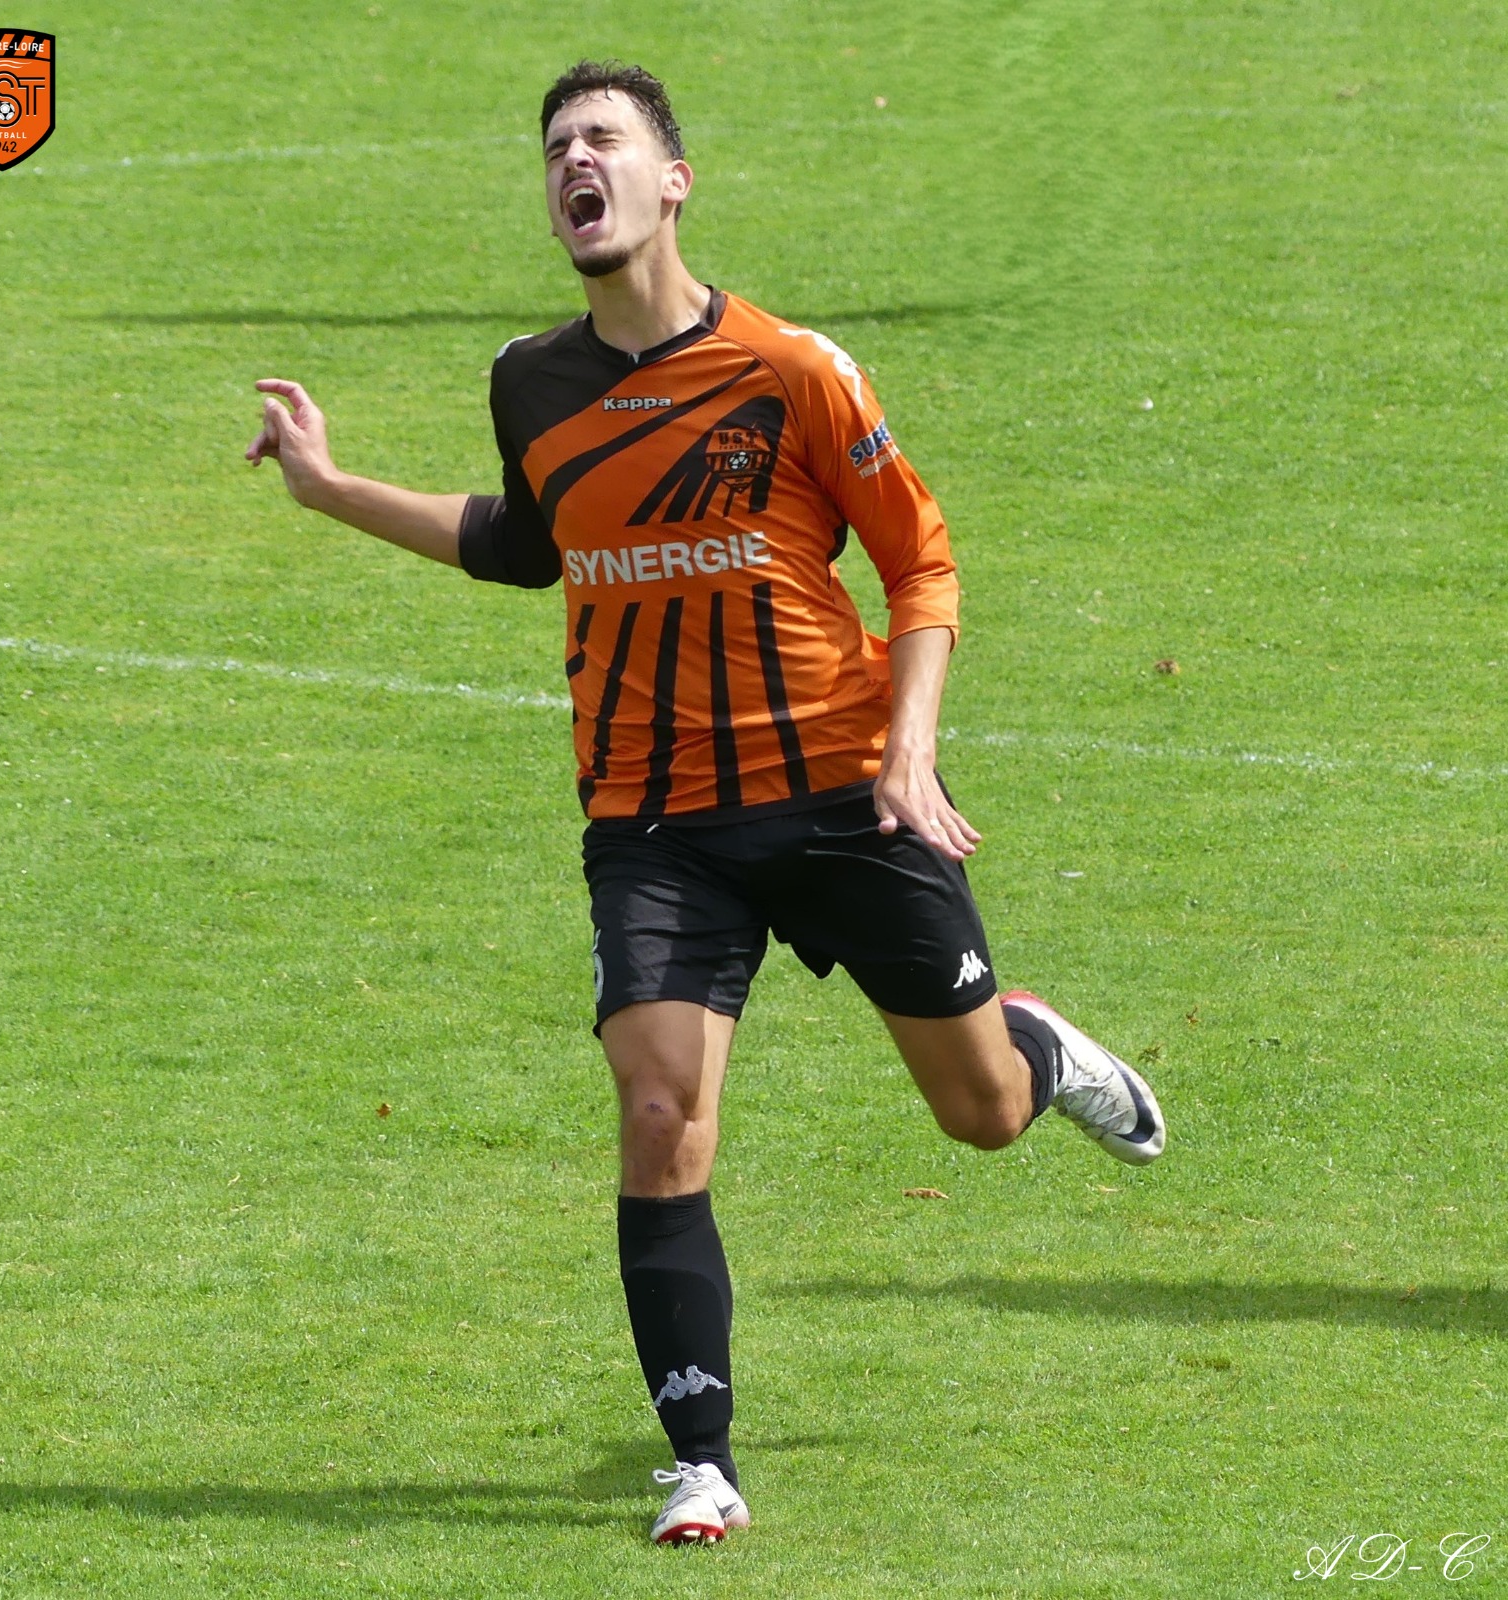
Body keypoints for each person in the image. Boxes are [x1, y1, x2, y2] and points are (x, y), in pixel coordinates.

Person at [244, 59, 1166, 1547]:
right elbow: (529, 542)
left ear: (672, 182)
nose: (575, 162)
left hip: (842, 793)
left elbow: (921, 563)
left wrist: (909, 749)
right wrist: (331, 488)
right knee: (661, 1112)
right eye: (557, 147)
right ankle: (702, 1460)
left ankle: (1034, 1047)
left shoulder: (792, 371)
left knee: (983, 1115)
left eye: (603, 139)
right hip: (655, 820)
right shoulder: (528, 381)